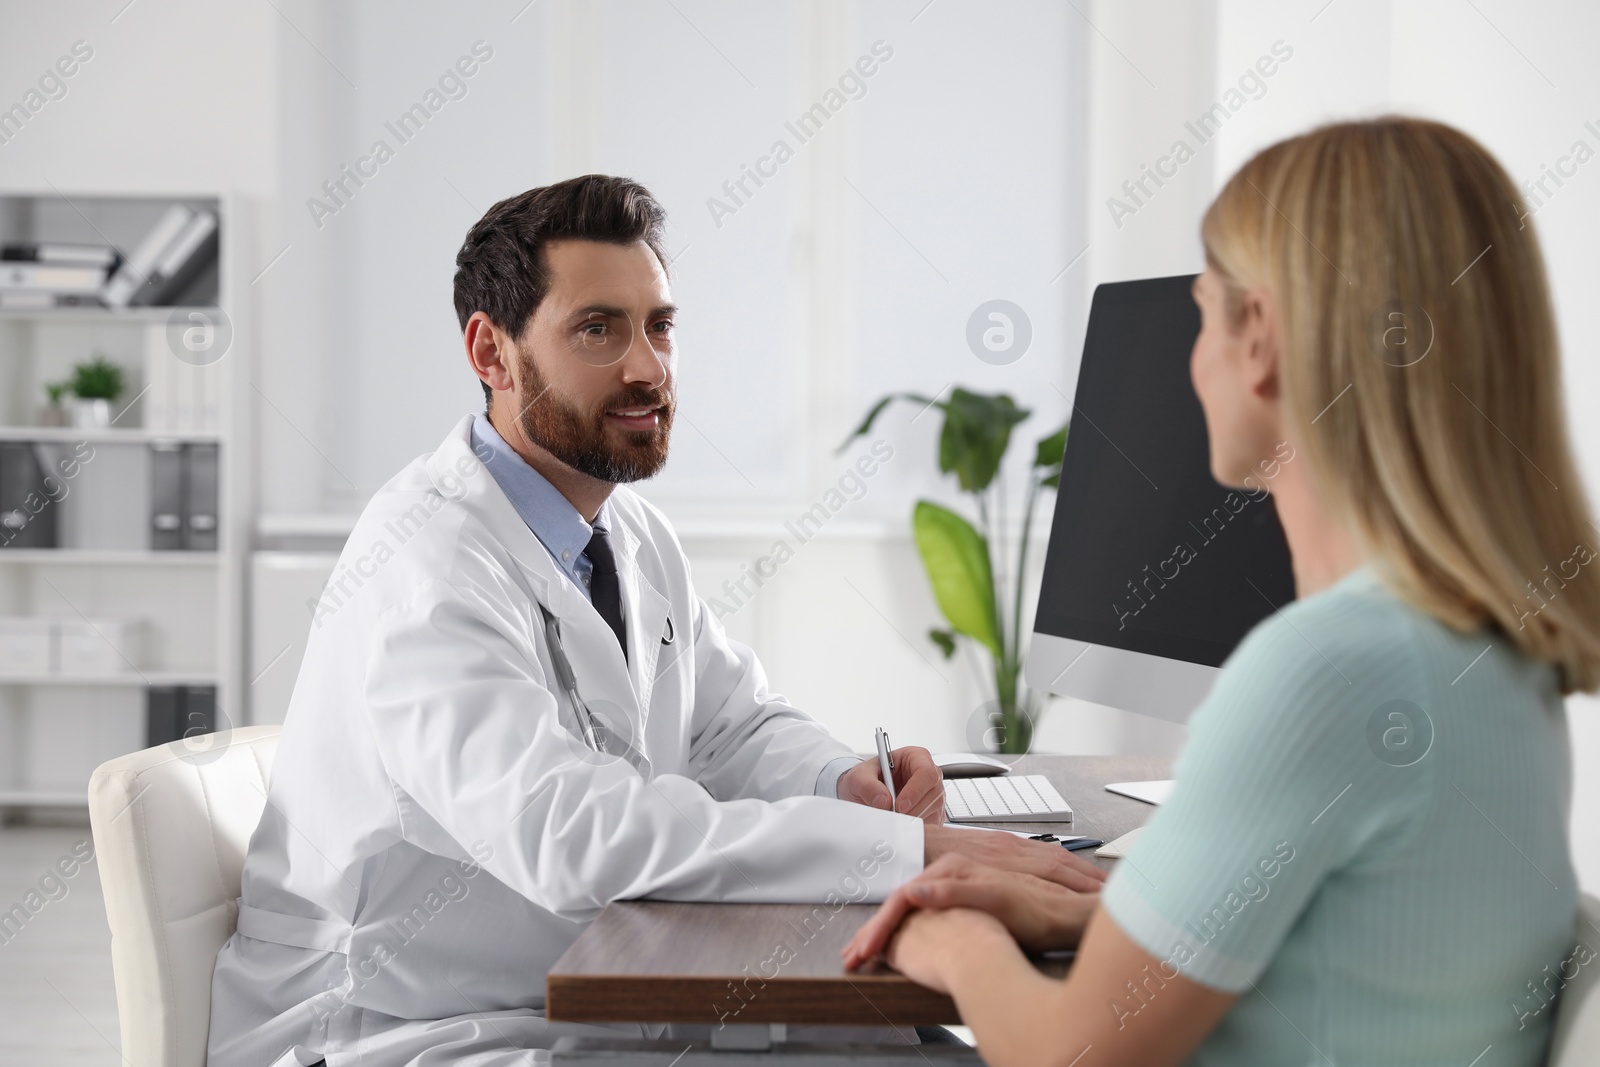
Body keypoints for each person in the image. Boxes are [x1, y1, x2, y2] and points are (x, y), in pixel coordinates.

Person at [206, 175, 1102, 1067]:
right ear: (491, 352)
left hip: (574, 987)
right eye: (598, 328)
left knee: (936, 1052)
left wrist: (841, 783)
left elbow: (730, 725)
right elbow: (571, 832)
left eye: (659, 326)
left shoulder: (625, 528)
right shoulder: (424, 563)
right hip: (402, 1026)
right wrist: (907, 850)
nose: (646, 366)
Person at [844, 117, 1600, 1066]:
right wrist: (1068, 902)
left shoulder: (1331, 668)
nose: (1188, 355)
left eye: (1202, 310)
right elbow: (1335, 936)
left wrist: (951, 941)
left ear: (1261, 340)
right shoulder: (1494, 648)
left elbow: (1068, 1055)